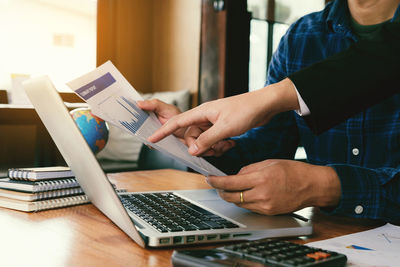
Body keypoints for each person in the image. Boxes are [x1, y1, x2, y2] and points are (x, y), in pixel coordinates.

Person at [139, 0, 400, 223]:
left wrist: (325, 185)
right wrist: (205, 144)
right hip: (325, 238)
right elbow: (269, 144)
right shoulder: (302, 36)